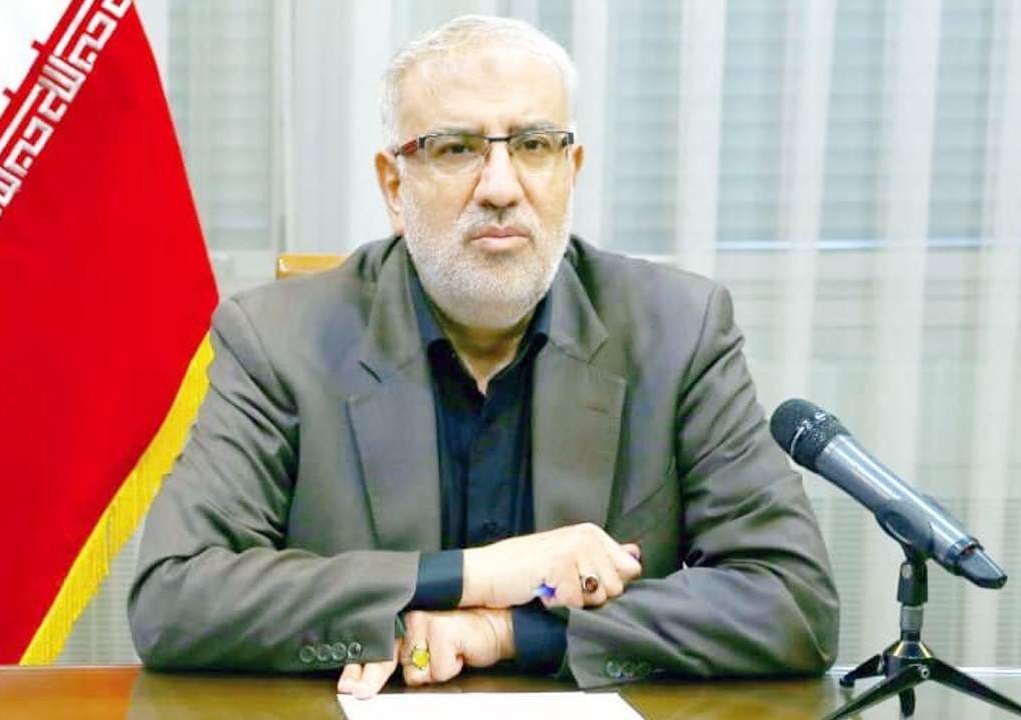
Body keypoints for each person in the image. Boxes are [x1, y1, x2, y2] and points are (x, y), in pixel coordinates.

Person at [128, 14, 839, 698]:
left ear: (570, 171)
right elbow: (173, 595)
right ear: (395, 187)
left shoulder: (679, 330)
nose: (501, 188)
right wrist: (479, 574)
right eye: (456, 149)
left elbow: (793, 600)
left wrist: (507, 632)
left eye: (533, 145)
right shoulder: (278, 338)